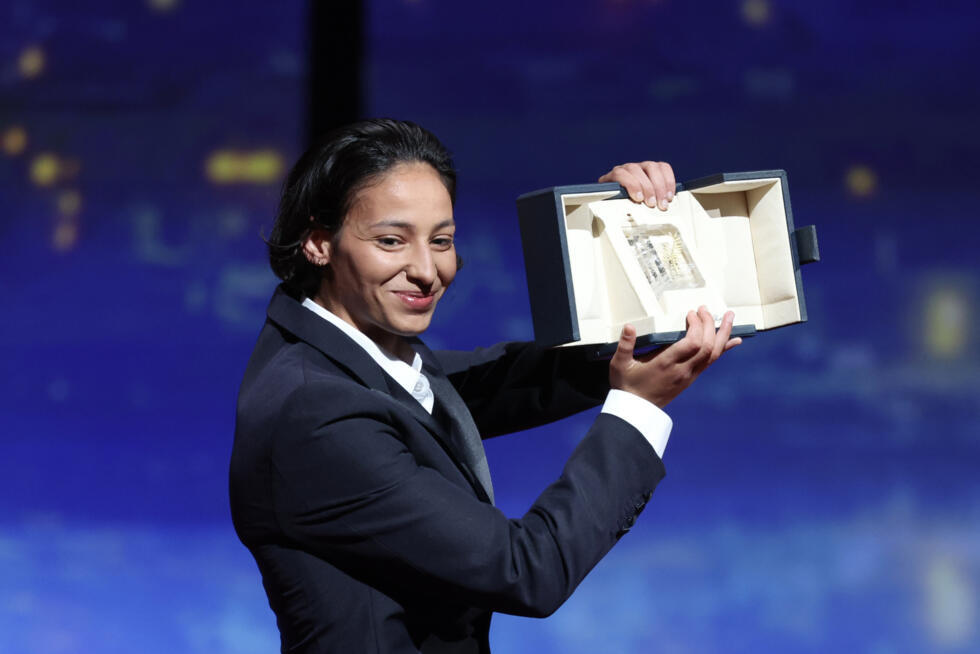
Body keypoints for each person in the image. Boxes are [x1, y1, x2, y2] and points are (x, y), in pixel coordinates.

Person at [229, 118, 740, 654]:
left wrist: (611, 227)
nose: (427, 270)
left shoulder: (347, 354)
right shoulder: (317, 411)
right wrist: (638, 407)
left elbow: (503, 379)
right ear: (318, 243)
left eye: (442, 240)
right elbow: (527, 569)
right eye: (390, 241)